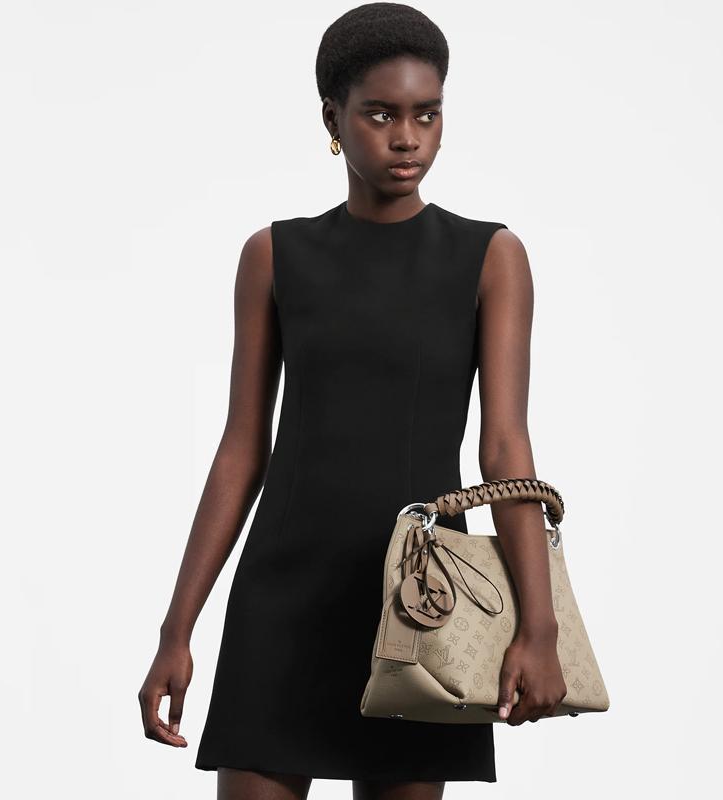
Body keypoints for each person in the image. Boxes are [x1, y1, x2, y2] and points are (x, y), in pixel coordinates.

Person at [138, 3, 567, 799]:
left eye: (427, 114)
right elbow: (241, 449)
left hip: (421, 599)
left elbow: (506, 449)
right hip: (283, 600)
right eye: (380, 114)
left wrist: (538, 630)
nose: (407, 138)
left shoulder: (489, 256)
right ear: (333, 118)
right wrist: (177, 629)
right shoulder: (274, 255)